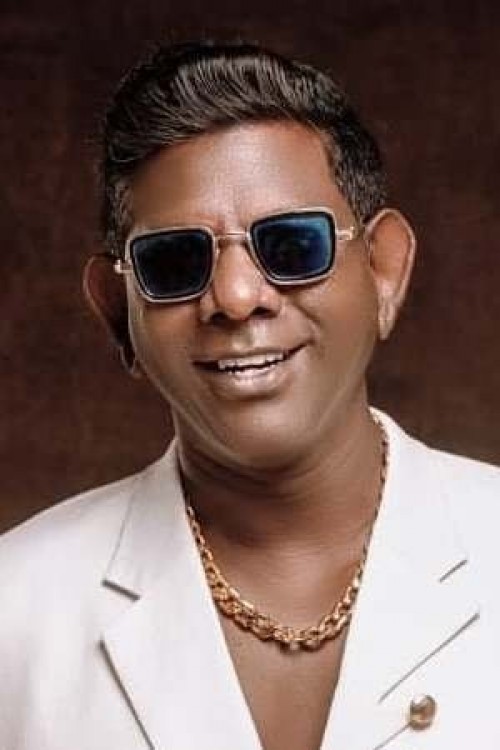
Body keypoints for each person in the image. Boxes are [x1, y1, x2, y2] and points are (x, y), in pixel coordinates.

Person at [0, 40, 499, 750]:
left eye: (292, 245)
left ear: (383, 272)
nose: (236, 297)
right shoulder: (17, 612)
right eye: (175, 261)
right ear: (117, 310)